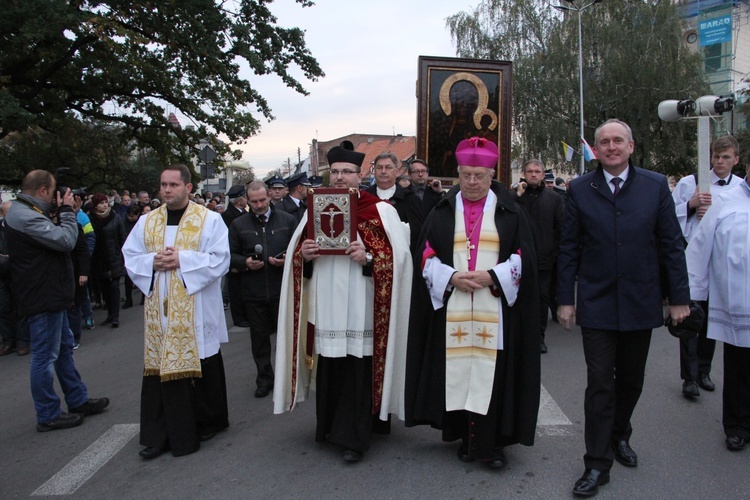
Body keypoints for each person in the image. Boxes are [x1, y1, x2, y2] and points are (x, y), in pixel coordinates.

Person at [557, 119, 690, 497]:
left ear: (631, 146)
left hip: (640, 300)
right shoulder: (580, 189)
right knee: (600, 383)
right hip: (597, 303)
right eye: (604, 142)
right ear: (595, 150)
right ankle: (596, 465)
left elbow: (671, 244)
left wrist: (679, 297)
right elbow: (569, 249)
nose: (611, 147)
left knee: (631, 381)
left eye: (618, 141)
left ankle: (619, 434)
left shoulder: (654, 186)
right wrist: (566, 299)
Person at [406, 137, 540, 469]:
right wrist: (450, 277)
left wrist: (493, 276)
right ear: (458, 173)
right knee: (458, 372)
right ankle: (465, 436)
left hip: (495, 309)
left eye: (480, 175)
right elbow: (424, 255)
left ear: (492, 174)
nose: (473, 182)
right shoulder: (442, 212)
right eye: (466, 175)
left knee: (491, 375)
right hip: (453, 309)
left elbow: (526, 257)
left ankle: (491, 444)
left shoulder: (511, 213)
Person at [274, 144, 412, 463]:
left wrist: (369, 257)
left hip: (362, 304)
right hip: (327, 301)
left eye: (346, 172)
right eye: (334, 171)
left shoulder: (380, 210)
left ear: (359, 175)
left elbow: (400, 261)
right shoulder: (313, 209)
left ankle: (355, 437)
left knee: (357, 366)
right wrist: (303, 256)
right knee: (332, 365)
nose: (339, 177)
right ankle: (328, 428)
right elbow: (297, 259)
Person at [123, 164, 231, 459]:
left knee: (201, 361)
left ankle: (206, 421)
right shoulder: (147, 221)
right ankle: (160, 432)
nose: (167, 190)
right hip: (160, 307)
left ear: (188, 187)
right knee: (160, 367)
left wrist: (181, 260)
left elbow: (220, 259)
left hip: (196, 306)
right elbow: (130, 255)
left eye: (173, 185)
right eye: (163, 185)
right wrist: (152, 263)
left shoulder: (209, 220)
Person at [5, 170, 109, 431]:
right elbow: (64, 240)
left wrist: (64, 212)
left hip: (50, 292)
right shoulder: (25, 216)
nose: (57, 197)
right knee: (44, 356)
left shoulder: (26, 212)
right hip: (42, 295)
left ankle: (77, 399)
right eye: (54, 193)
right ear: (42, 191)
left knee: (63, 350)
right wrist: (65, 213)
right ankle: (48, 414)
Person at [685, 159, 750, 452]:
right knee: (739, 368)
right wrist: (691, 296)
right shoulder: (726, 201)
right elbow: (700, 247)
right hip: (738, 301)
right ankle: (737, 425)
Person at [672, 136, 743, 399]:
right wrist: (690, 206)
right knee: (691, 318)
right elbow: (668, 215)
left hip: (723, 263)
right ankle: (689, 376)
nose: (720, 162)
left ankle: (703, 369)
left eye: (726, 157)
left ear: (736, 159)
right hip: (694, 259)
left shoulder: (740, 188)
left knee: (713, 319)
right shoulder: (690, 182)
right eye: (716, 156)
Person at [229, 181, 297, 398]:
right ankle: (265, 379)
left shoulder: (287, 220)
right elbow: (229, 255)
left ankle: (288, 378)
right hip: (253, 292)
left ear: (269, 196)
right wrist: (244, 262)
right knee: (259, 341)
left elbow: (300, 249)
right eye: (254, 201)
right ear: (247, 200)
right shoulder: (239, 225)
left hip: (282, 290)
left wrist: (287, 259)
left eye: (262, 200)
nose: (258, 205)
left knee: (286, 339)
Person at [512, 159, 565, 354]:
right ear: (524, 174)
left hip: (544, 260)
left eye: (537, 171)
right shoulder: (515, 196)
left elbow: (561, 229)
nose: (533, 174)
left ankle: (538, 338)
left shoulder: (554, 199)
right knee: (516, 299)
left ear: (543, 175)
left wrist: (555, 254)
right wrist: (516, 196)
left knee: (541, 300)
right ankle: (518, 338)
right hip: (517, 259)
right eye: (529, 171)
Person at [366, 152, 425, 251]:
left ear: (397, 171)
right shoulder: (365, 198)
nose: (383, 171)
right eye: (379, 168)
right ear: (374, 171)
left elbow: (419, 234)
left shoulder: (410, 199)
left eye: (388, 167)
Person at [89, 193, 127, 328]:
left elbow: (123, 237)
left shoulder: (115, 217)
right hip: (99, 259)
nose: (104, 205)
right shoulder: (90, 219)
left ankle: (115, 316)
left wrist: (124, 255)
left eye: (106, 202)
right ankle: (110, 314)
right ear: (95, 205)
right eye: (101, 203)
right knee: (105, 288)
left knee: (115, 287)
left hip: (114, 256)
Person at [0, 201, 30, 356]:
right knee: (3, 309)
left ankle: (23, 341)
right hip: (2, 275)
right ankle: (7, 341)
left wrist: (8, 258)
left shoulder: (21, 228)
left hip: (19, 274)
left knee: (20, 308)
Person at [221, 184, 249, 328]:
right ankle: (239, 318)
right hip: (234, 258)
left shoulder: (243, 213)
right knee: (235, 291)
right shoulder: (227, 216)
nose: (246, 199)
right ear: (238, 200)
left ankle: (245, 316)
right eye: (244, 197)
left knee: (244, 290)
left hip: (243, 257)